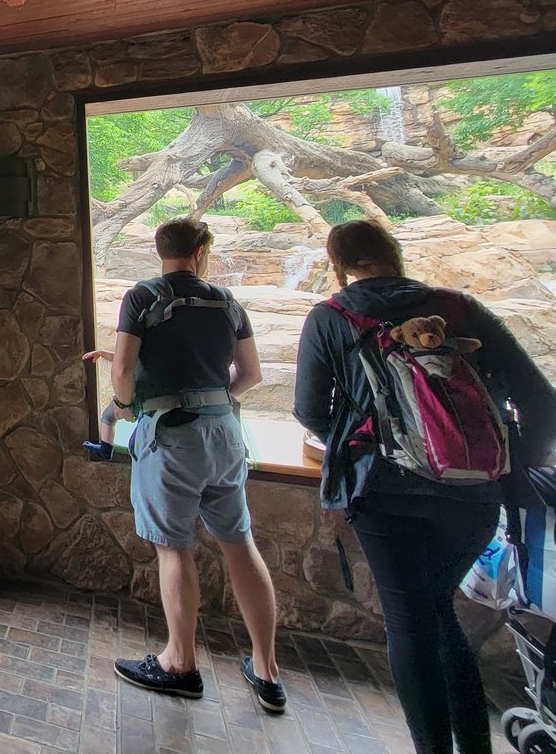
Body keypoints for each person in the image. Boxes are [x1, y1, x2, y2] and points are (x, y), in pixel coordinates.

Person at [294, 219, 556, 754]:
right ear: (394, 254)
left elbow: (307, 408)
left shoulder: (332, 316)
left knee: (411, 622)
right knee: (437, 613)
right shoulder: (458, 308)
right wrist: (505, 463)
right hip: (472, 496)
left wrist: (361, 444)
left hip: (384, 492)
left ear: (339, 263)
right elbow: (541, 400)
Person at [84, 217, 285, 712]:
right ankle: (267, 671)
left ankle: (179, 662)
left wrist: (126, 407)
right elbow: (252, 374)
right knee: (239, 544)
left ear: (163, 251)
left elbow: (124, 369)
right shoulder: (227, 301)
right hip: (223, 433)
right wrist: (216, 401)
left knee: (174, 548)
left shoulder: (142, 297)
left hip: (171, 436)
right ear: (199, 252)